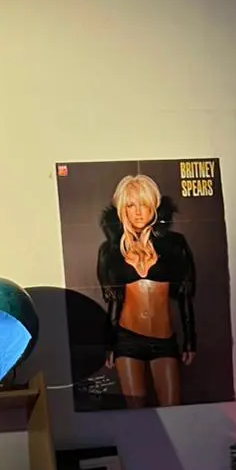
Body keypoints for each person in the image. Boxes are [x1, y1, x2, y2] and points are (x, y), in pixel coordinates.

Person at [97, 173, 196, 409]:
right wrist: (109, 344)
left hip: (165, 340)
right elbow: (114, 302)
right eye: (131, 205)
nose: (138, 212)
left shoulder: (174, 244)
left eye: (144, 204)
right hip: (126, 339)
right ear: (122, 209)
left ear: (154, 206)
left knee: (173, 411)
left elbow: (185, 296)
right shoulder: (110, 251)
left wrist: (191, 341)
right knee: (135, 416)